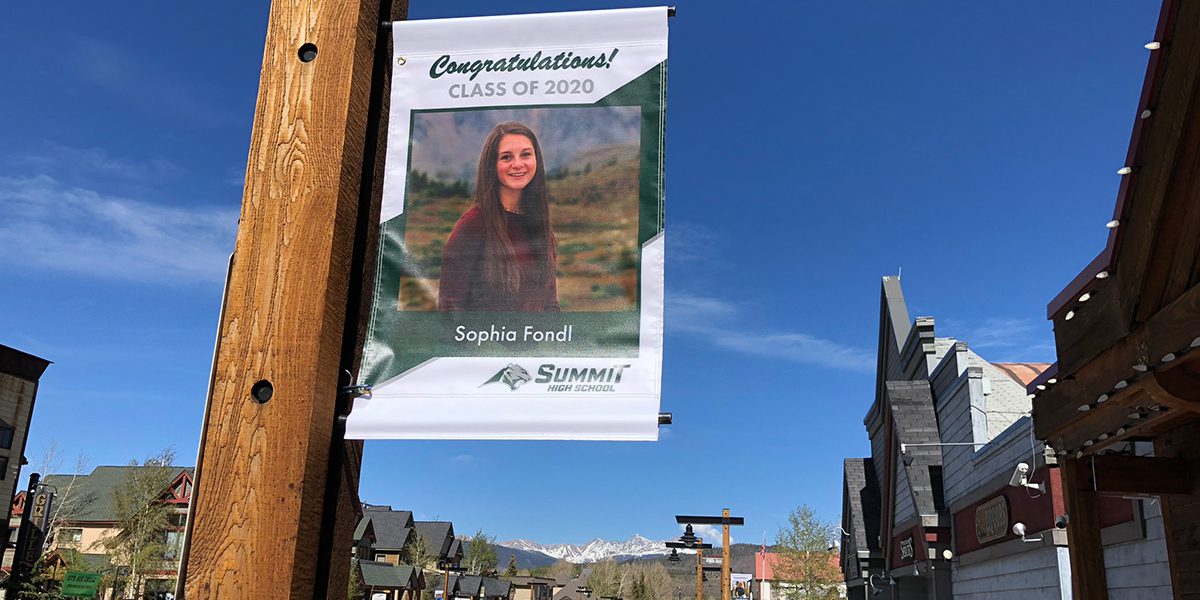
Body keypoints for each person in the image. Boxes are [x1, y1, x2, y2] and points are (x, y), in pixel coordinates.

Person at [438, 121, 560, 311]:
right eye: (506, 157)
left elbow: (551, 306)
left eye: (526, 154)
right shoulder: (472, 225)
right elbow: (449, 312)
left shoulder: (542, 229)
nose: (518, 164)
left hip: (536, 340)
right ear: (492, 165)